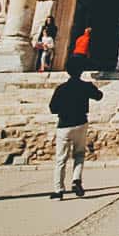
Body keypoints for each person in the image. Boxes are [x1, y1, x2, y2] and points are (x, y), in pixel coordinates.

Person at [48, 57, 103, 200]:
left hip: (64, 125)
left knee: (61, 159)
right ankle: (76, 180)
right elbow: (99, 96)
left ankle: (58, 190)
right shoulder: (86, 86)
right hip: (80, 123)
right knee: (79, 154)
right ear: (81, 71)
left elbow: (53, 108)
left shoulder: (61, 88)